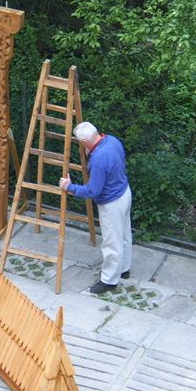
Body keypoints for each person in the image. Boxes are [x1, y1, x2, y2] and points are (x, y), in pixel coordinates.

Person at [59, 122, 132, 294]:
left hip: (111, 203)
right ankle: (124, 269)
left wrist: (70, 187)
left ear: (85, 142)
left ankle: (109, 280)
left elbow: (93, 190)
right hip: (124, 193)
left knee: (111, 242)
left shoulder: (98, 159)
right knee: (124, 234)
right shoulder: (112, 141)